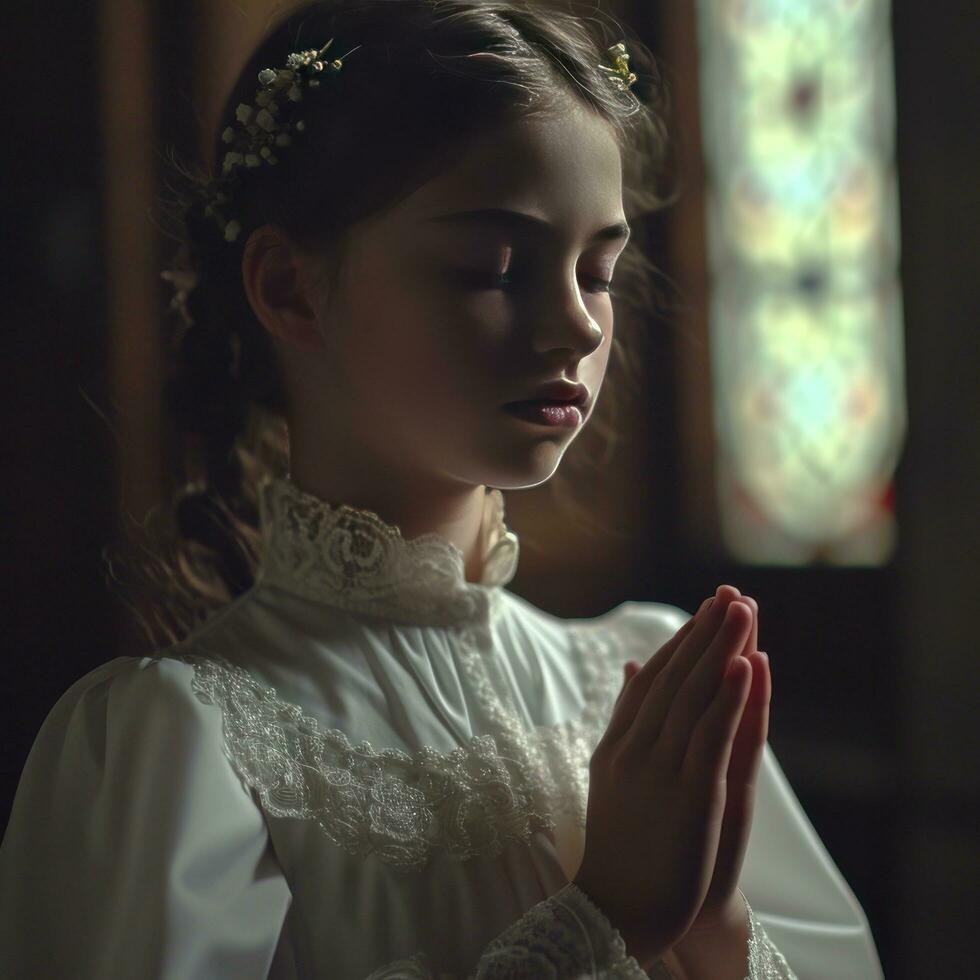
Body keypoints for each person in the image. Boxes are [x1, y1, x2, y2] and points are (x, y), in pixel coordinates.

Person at [0, 1, 886, 976]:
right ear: (290, 288)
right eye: (493, 268)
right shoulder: (178, 744)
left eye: (596, 270)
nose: (578, 327)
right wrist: (605, 920)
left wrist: (710, 922)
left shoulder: (637, 683)